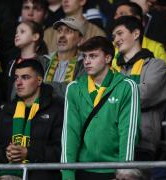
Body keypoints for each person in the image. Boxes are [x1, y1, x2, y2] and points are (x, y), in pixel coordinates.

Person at [61, 36, 141, 180]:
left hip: (115, 170)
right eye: (84, 56)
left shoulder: (127, 86)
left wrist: (124, 171)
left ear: (108, 58)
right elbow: (70, 134)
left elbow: (128, 132)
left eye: (93, 56)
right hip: (82, 169)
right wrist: (67, 174)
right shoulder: (74, 88)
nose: (86, 61)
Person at [0, 60, 63, 180]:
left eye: (25, 77)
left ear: (39, 80)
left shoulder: (57, 110)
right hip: (5, 175)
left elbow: (61, 151)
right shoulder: (5, 112)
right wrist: (6, 153)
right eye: (16, 78)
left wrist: (28, 153)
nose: (18, 83)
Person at [112, 16, 166, 160]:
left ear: (136, 34)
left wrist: (112, 96)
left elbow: (144, 95)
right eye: (114, 36)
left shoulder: (157, 65)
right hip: (110, 139)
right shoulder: (112, 69)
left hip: (141, 142)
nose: (116, 40)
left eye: (120, 33)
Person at [43, 17, 85, 99]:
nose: (62, 35)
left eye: (69, 31)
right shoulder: (42, 61)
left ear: (80, 40)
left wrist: (43, 86)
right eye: (59, 31)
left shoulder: (85, 65)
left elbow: (74, 92)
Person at [7, 20, 48, 101]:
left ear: (35, 36)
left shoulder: (44, 62)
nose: (17, 35)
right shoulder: (12, 63)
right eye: (16, 32)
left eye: (22, 32)